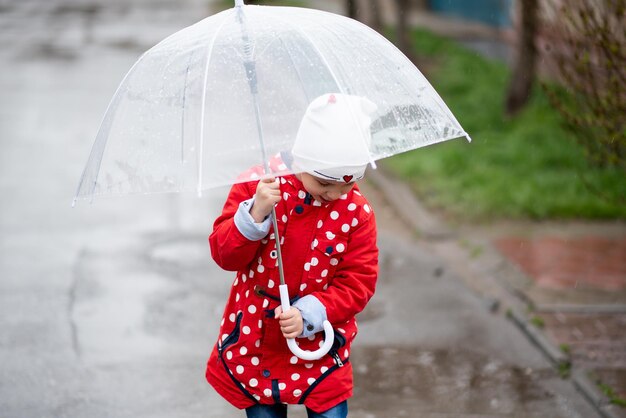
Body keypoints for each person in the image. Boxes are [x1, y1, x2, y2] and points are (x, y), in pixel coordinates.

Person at [205, 93, 379, 418]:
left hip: (320, 339)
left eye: (349, 183)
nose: (336, 195)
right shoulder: (260, 186)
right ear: (302, 161)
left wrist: (315, 311)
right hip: (257, 336)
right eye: (325, 183)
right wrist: (254, 214)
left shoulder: (356, 212)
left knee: (330, 408)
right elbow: (225, 255)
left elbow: (359, 282)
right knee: (263, 409)